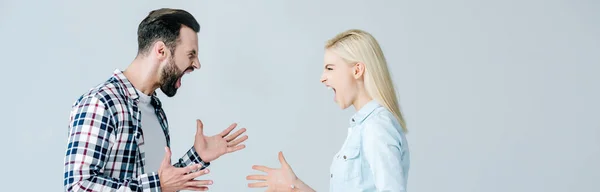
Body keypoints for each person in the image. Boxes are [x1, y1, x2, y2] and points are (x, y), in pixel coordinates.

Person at [63, 8, 248, 192]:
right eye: (191, 55)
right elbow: (78, 186)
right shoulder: (101, 103)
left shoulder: (155, 109)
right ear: (161, 51)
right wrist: (158, 184)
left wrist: (197, 156)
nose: (197, 65)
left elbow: (160, 182)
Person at [246, 29, 410, 192]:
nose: (322, 77)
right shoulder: (362, 127)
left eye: (330, 68)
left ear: (357, 70)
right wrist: (295, 186)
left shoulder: (376, 127)